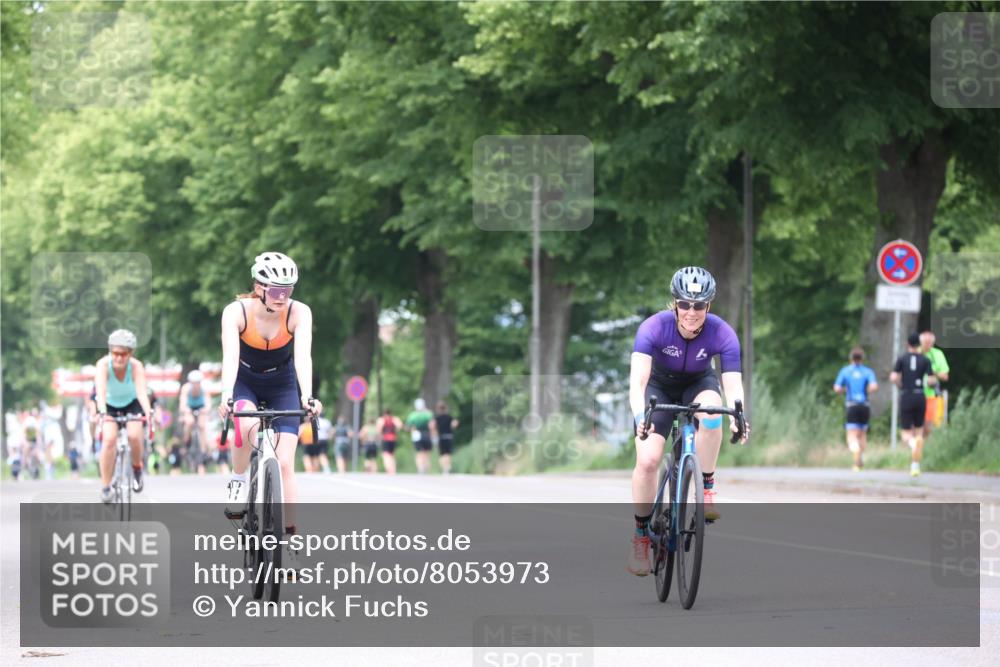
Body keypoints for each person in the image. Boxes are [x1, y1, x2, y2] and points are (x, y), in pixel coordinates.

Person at [628, 266, 749, 577]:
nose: (691, 312)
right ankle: (641, 535)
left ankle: (706, 486)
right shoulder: (653, 328)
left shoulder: (722, 332)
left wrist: (739, 414)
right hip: (659, 388)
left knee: (712, 415)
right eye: (684, 304)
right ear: (674, 303)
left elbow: (733, 384)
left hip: (699, 383)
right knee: (648, 460)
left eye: (699, 305)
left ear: (708, 306)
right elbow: (637, 382)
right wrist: (641, 416)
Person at [218, 252, 322, 550]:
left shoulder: (299, 312)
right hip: (245, 380)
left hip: (283, 382)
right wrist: (226, 393)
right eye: (277, 290)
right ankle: (239, 480)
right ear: (259, 286)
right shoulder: (236, 312)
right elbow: (230, 357)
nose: (283, 297)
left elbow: (303, 357)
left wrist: (308, 396)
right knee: (246, 426)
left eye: (288, 290)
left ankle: (290, 535)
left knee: (286, 463)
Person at [94, 329, 154, 503]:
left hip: (131, 403)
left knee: (134, 435)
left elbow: (142, 393)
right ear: (110, 351)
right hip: (109, 405)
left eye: (124, 354)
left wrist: (148, 412)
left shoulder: (136, 366)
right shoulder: (103, 365)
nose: (119, 358)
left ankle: (136, 469)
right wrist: (102, 413)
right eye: (115, 353)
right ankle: (106, 486)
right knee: (109, 439)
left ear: (131, 354)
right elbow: (101, 392)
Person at [890, 333, 935, 477]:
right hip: (920, 396)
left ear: (908, 344)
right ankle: (915, 466)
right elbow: (931, 381)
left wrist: (900, 385)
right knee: (919, 431)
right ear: (919, 344)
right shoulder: (926, 360)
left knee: (906, 434)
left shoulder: (902, 359)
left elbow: (894, 377)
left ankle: (912, 445)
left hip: (907, 395)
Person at [833, 346, 878, 471]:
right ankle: (860, 460)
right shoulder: (867, 371)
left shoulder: (846, 371)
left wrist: (844, 390)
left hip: (852, 405)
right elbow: (874, 386)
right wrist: (867, 390)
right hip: (864, 405)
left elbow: (836, 388)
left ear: (850, 358)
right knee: (862, 434)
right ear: (862, 358)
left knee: (852, 436)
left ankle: (856, 452)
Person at [179, 370, 210, 475]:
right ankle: (186, 441)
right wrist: (186, 411)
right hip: (189, 407)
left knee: (202, 426)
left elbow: (208, 405)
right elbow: (182, 404)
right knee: (189, 422)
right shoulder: (186, 389)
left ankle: (203, 450)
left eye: (198, 382)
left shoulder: (204, 389)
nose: (196, 385)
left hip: (200, 408)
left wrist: (205, 410)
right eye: (194, 383)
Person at [920, 331, 950, 438]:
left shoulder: (937, 354)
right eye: (925, 342)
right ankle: (915, 450)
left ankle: (926, 447)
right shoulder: (916, 353)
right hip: (916, 393)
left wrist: (932, 372)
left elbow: (945, 376)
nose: (927, 345)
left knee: (930, 425)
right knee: (916, 425)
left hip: (932, 395)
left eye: (930, 343)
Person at [405, 398, 436, 474]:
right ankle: (426, 467)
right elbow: (432, 426)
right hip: (426, 434)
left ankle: (420, 468)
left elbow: (407, 427)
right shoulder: (428, 414)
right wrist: (434, 436)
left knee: (419, 452)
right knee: (427, 452)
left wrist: (412, 430)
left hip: (416, 434)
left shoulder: (412, 415)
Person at [434, 401, 459, 474]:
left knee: (442, 454)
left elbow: (432, 426)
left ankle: (444, 468)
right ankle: (448, 467)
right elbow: (455, 423)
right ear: (445, 409)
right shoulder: (449, 417)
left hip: (441, 437)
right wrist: (451, 428)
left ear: (438, 409)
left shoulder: (437, 418)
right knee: (448, 453)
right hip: (449, 436)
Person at [375, 408, 402, 475]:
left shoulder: (381, 419)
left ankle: (389, 469)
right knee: (392, 454)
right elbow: (400, 425)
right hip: (393, 438)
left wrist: (380, 436)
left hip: (385, 438)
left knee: (386, 455)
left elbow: (378, 429)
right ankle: (393, 470)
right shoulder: (394, 419)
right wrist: (395, 431)